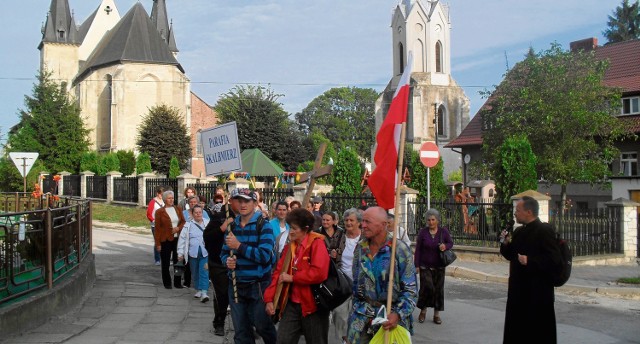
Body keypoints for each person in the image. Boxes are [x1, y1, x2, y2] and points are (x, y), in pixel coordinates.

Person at [347, 206, 417, 343]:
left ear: (384, 225)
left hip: (390, 321)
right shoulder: (360, 248)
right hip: (361, 319)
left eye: (368, 222)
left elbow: (411, 290)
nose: (363, 225)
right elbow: (355, 285)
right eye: (363, 221)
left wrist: (398, 314)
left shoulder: (400, 249)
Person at [500, 196, 563, 344]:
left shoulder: (544, 231)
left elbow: (554, 260)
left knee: (536, 335)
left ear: (528, 212)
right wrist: (505, 243)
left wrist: (530, 261)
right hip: (518, 294)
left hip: (537, 295)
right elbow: (511, 255)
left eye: (518, 210)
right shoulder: (520, 231)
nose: (515, 213)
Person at [264, 208, 331, 344]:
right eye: (290, 228)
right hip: (291, 303)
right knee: (283, 340)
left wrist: (294, 278)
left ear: (305, 229)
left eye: (294, 228)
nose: (291, 231)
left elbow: (319, 273)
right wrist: (269, 299)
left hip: (313, 306)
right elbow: (278, 273)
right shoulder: (290, 247)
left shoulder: (317, 244)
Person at [221, 188, 277, 344]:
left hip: (258, 286)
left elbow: (265, 256)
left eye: (247, 201)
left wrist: (239, 246)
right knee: (241, 331)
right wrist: (227, 261)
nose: (243, 204)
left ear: (255, 203)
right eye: (239, 201)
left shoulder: (263, 226)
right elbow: (223, 253)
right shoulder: (232, 227)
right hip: (236, 285)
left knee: (263, 326)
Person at [203, 189, 239, 336]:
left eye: (244, 201)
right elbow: (208, 238)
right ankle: (219, 323)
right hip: (219, 263)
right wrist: (222, 228)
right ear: (231, 201)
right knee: (222, 295)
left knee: (241, 295)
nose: (242, 204)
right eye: (238, 200)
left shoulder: (248, 218)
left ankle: (245, 325)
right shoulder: (219, 216)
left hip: (239, 263)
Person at [414, 208, 453, 325]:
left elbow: (450, 243)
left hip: (439, 267)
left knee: (438, 291)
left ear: (437, 220)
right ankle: (423, 311)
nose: (430, 222)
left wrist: (445, 246)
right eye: (429, 220)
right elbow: (418, 250)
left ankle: (436, 315)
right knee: (427, 288)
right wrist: (416, 265)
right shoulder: (423, 232)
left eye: (433, 220)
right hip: (425, 266)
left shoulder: (443, 232)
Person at [333, 208, 362, 344]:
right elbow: (330, 249)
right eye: (346, 220)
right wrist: (332, 253)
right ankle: (343, 339)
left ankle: (353, 339)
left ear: (359, 222)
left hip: (360, 283)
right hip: (342, 282)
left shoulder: (364, 239)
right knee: (339, 313)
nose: (348, 223)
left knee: (357, 314)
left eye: (352, 220)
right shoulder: (339, 236)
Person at [154, 190, 186, 289]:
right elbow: (157, 229)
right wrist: (158, 244)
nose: (171, 200)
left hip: (177, 239)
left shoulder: (178, 209)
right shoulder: (159, 212)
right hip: (165, 240)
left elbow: (183, 222)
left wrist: (178, 228)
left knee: (178, 262)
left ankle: (177, 282)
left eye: (172, 198)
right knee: (166, 262)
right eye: (169, 198)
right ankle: (167, 283)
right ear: (164, 199)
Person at [177, 205, 210, 303]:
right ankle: (198, 289)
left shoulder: (208, 223)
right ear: (193, 213)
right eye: (196, 212)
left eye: (200, 212)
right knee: (195, 272)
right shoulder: (188, 225)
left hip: (205, 253)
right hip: (192, 254)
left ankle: (204, 292)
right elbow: (182, 239)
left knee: (204, 271)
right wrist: (180, 253)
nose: (198, 214)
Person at [146, 186, 164, 265]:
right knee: (158, 241)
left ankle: (164, 258)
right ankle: (157, 259)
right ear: (157, 193)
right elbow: (149, 214)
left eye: (163, 194)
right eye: (160, 194)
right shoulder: (153, 202)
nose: (161, 196)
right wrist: (153, 220)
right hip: (155, 225)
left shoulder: (164, 202)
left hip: (164, 225)